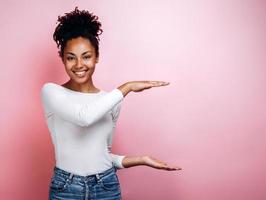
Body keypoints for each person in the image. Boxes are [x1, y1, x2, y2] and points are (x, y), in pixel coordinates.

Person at [40, 7, 181, 200]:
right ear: (62, 59)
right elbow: (85, 117)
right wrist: (127, 87)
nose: (79, 65)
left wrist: (141, 160)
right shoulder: (52, 92)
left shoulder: (110, 101)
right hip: (66, 189)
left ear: (97, 57)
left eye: (86, 56)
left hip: (106, 186)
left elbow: (101, 154)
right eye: (71, 57)